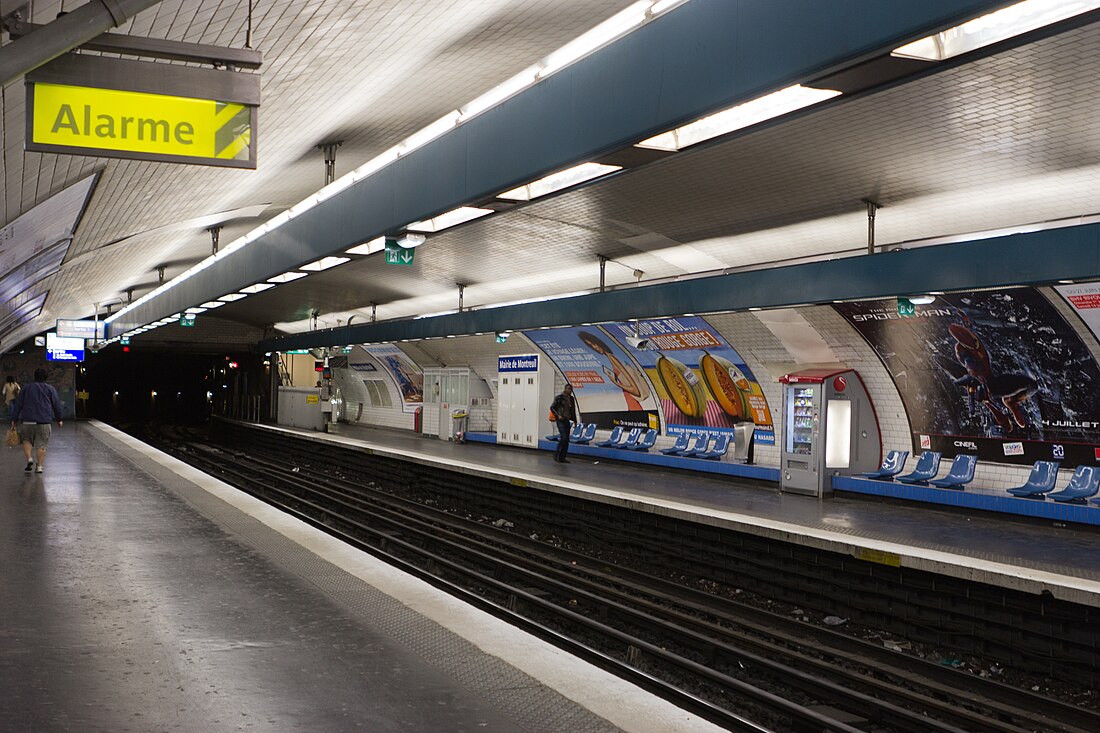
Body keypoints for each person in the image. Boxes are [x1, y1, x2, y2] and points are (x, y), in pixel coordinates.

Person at [10, 368, 63, 474]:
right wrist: (59, 419)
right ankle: (39, 467)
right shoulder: (50, 389)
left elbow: (18, 404)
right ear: (46, 377)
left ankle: (29, 458)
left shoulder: (26, 388)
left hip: (27, 421)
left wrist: (14, 419)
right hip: (44, 422)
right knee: (42, 444)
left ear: (34, 376)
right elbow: (56, 404)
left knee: (26, 440)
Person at [551, 383, 577, 463]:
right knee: (564, 437)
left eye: (571, 389)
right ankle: (557, 455)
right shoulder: (559, 397)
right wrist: (558, 415)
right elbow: (552, 407)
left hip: (567, 420)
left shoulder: (571, 399)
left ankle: (562, 457)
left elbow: (573, 411)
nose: (570, 391)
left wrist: (575, 421)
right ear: (565, 389)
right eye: (569, 389)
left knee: (567, 439)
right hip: (560, 420)